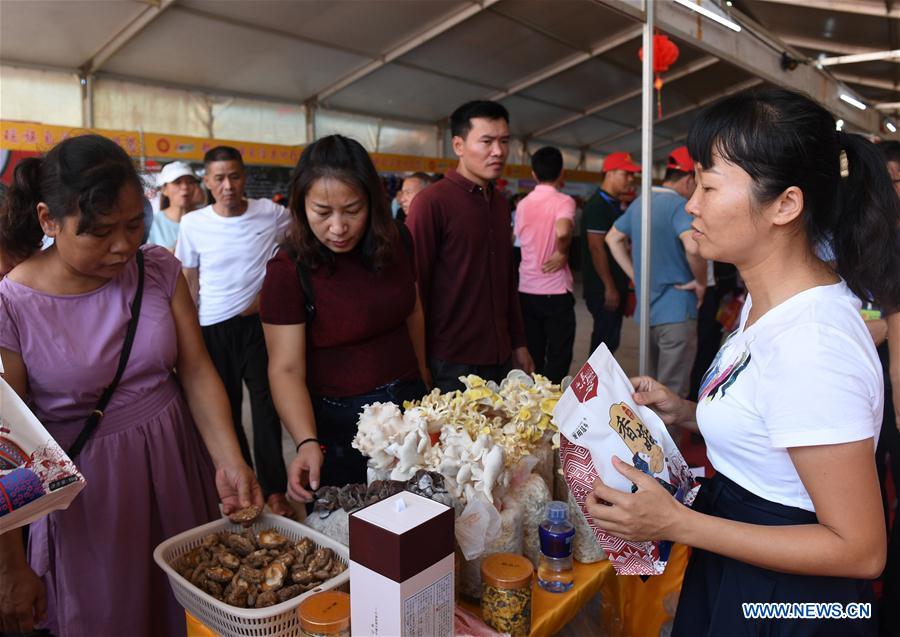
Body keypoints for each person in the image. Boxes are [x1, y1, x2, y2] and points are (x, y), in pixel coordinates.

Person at [586, 88, 899, 636]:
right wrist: (685, 411)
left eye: (709, 185)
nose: (691, 204)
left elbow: (860, 551)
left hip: (795, 604)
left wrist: (678, 522)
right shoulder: (766, 301)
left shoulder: (814, 343)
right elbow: (774, 423)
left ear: (786, 205)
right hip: (746, 565)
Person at [0, 134, 262, 636]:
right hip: (88, 499)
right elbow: (6, 449)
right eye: (99, 232)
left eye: (133, 224)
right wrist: (10, 565)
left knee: (191, 604)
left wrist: (229, 460)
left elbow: (197, 371)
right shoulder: (13, 303)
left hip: (175, 463)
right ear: (48, 219)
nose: (123, 245)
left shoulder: (158, 268)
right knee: (109, 615)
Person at [259, 135, 428, 495]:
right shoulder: (288, 270)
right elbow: (285, 369)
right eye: (322, 212)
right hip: (340, 425)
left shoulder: (396, 239)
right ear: (300, 205)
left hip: (411, 405)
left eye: (352, 210)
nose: (338, 228)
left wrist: (425, 379)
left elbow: (412, 308)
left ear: (373, 201)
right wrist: (306, 442)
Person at [175, 146, 293, 517]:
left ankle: (275, 490)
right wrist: (188, 331)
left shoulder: (271, 213)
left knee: (266, 408)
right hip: (212, 328)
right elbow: (189, 279)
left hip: (259, 327)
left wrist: (271, 293)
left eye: (234, 176)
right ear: (207, 182)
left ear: (243, 177)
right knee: (224, 411)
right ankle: (245, 485)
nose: (228, 185)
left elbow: (298, 247)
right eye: (219, 178)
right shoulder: (193, 223)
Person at [407, 100, 533, 393]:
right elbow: (414, 289)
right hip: (451, 362)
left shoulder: (500, 204)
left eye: (504, 141)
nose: (498, 151)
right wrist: (419, 362)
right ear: (458, 145)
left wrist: (518, 342)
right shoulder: (431, 203)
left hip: (500, 357)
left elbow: (506, 281)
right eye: (487, 141)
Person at [605, 146, 708, 399]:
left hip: (647, 311)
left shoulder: (641, 203)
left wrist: (636, 274)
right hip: (677, 311)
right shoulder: (679, 206)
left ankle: (648, 439)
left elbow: (613, 238)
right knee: (672, 391)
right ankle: (667, 440)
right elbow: (694, 248)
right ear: (688, 179)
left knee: (647, 386)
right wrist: (701, 281)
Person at [514, 146, 576, 383]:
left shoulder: (523, 204)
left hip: (527, 288)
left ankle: (535, 402)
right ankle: (552, 404)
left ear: (533, 174)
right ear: (562, 173)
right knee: (559, 355)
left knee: (534, 354)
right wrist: (562, 252)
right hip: (555, 290)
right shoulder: (563, 200)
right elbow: (562, 230)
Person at [580, 151, 639, 354]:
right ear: (610, 173)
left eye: (632, 175)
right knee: (603, 345)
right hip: (603, 287)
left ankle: (599, 384)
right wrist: (610, 287)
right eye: (626, 174)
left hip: (615, 284)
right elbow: (596, 247)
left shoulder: (613, 204)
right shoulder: (598, 205)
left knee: (610, 342)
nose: (631, 179)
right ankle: (592, 385)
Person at [147, 161, 202, 251]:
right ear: (164, 189)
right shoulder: (153, 224)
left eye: (190, 182)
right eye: (177, 182)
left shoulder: (204, 220)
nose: (184, 187)